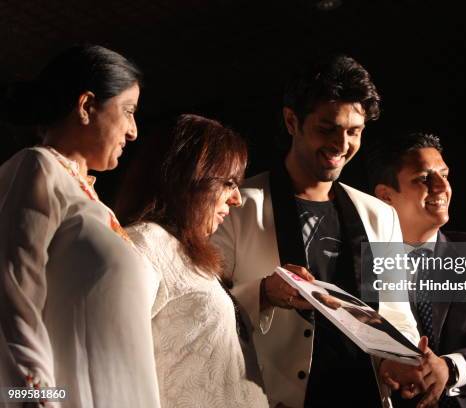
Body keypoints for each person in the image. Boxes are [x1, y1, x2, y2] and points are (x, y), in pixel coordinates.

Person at [212, 55, 420, 408]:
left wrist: (405, 359)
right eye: (328, 128)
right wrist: (263, 292)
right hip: (270, 398)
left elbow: (397, 314)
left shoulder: (380, 215)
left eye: (354, 131)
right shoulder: (235, 206)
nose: (342, 145)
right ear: (292, 121)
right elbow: (201, 308)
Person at [0, 45, 160, 407]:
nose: (134, 131)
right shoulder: (37, 167)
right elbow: (11, 304)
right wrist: (37, 400)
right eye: (129, 112)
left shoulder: (94, 204)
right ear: (87, 106)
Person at [367, 132, 466, 407]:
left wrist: (450, 369)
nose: (442, 187)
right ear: (385, 196)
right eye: (424, 178)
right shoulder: (362, 267)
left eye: (444, 174)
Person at [125, 114, 269, 408]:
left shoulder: (183, 250)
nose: (237, 199)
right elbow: (119, 362)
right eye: (228, 183)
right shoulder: (143, 244)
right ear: (190, 180)